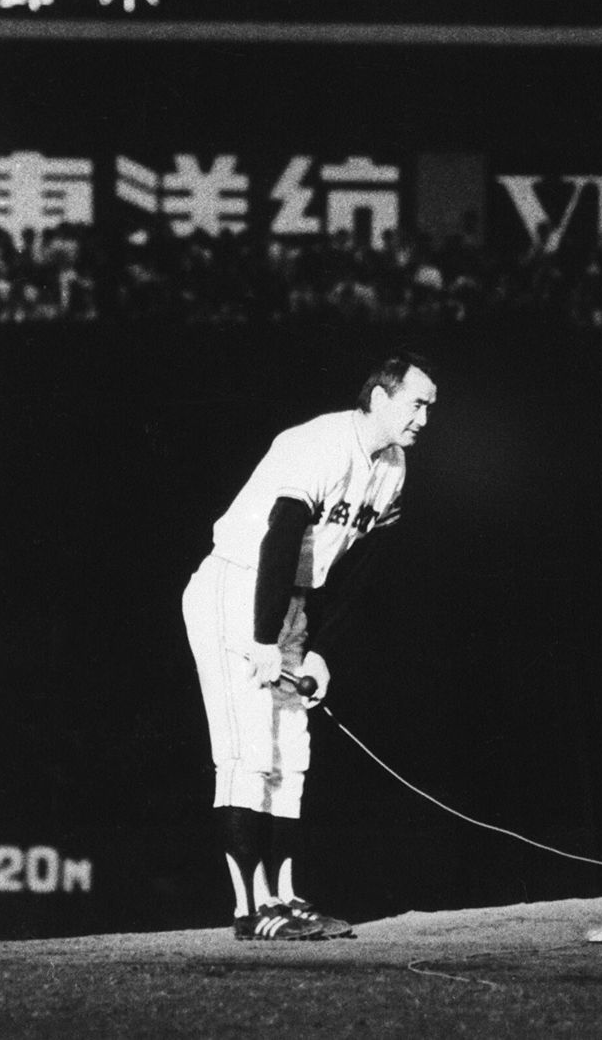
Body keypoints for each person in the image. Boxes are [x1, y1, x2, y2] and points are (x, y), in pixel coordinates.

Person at [182, 351, 438, 940]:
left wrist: (317, 648)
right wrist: (267, 637)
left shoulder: (394, 467)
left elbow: (355, 567)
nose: (424, 417)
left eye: (430, 407)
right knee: (249, 748)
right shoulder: (322, 442)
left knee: (290, 752)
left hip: (291, 597)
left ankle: (287, 898)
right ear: (379, 398)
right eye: (416, 403)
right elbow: (281, 535)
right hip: (237, 582)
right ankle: (252, 910)